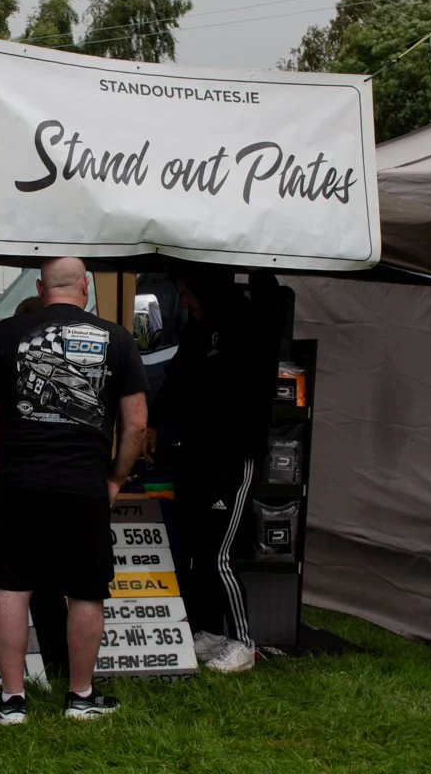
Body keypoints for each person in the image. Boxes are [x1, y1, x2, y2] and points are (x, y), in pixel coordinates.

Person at [0, 257, 149, 725]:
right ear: (86, 287)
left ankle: (12, 701)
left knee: (11, 585)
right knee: (87, 590)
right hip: (85, 483)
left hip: (20, 481)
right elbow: (138, 422)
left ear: (39, 286)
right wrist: (115, 478)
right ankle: (81, 697)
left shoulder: (6, 335)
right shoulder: (118, 339)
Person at [145, 266, 283, 673]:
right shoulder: (195, 331)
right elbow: (172, 382)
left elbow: (270, 291)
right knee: (196, 550)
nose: (185, 303)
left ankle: (245, 642)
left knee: (221, 554)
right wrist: (153, 422)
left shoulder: (250, 322)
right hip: (194, 453)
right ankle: (209, 630)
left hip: (232, 455)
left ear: (209, 290)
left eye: (188, 294)